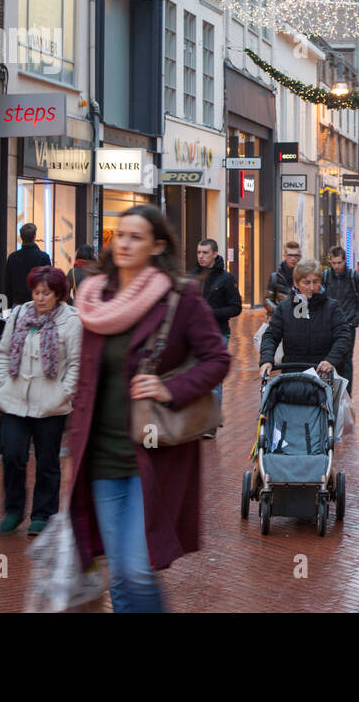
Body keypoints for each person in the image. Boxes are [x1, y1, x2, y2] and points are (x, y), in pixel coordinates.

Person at [67, 205, 230, 612]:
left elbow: (217, 359)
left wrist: (169, 387)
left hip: (153, 453)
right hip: (99, 454)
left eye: (136, 237)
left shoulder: (180, 296)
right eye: (120, 234)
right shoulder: (93, 296)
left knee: (138, 567)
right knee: (118, 570)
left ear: (158, 245)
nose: (123, 243)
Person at [0, 265, 81, 537]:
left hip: (51, 404)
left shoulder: (71, 320)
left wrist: (64, 392)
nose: (40, 298)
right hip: (15, 398)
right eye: (36, 292)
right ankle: (14, 510)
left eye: (47, 293)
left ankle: (43, 514)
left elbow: (77, 364)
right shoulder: (19, 314)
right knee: (13, 454)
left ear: (58, 294)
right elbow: (4, 352)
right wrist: (1, 385)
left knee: (47, 461)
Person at [258, 259, 353, 380]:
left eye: (316, 282)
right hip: (292, 374)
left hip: (323, 374)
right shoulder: (285, 308)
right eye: (306, 283)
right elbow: (271, 335)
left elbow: (343, 336)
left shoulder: (332, 307)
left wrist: (331, 360)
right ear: (296, 283)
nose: (311, 287)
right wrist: (267, 360)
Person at [191, 238, 242, 436]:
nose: (201, 256)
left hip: (218, 334)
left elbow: (236, 307)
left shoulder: (226, 279)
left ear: (214, 254)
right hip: (193, 335)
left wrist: (211, 313)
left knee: (213, 380)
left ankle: (210, 424)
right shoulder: (192, 277)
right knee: (194, 377)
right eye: (198, 252)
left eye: (204, 253)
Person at [322, 246, 359, 395]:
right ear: (330, 261)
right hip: (328, 327)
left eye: (339, 263)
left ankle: (346, 397)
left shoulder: (354, 278)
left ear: (344, 261)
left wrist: (354, 322)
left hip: (347, 327)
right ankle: (330, 394)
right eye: (334, 263)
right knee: (329, 360)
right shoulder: (325, 277)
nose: (336, 266)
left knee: (346, 361)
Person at [4, 223, 51, 307]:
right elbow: (49, 282)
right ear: (34, 236)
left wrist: (8, 305)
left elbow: (8, 284)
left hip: (17, 304)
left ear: (21, 237)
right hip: (38, 304)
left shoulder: (12, 257)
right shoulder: (43, 257)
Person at [264, 241, 301, 315]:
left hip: (300, 319)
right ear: (285, 256)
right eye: (290, 255)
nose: (293, 259)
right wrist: (279, 312)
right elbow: (267, 300)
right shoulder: (275, 277)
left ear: (300, 256)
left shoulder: (305, 276)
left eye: (296, 256)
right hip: (281, 321)